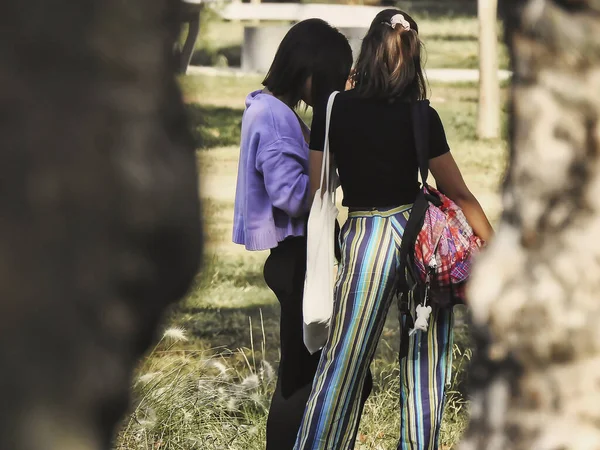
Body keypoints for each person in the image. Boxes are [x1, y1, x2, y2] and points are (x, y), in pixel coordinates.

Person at [294, 9, 493, 450]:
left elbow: (318, 186)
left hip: (365, 238)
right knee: (425, 365)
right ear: (413, 57)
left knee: (343, 359)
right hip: (422, 240)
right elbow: (459, 193)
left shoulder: (334, 108)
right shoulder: (423, 115)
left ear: (367, 51)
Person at [232, 19, 373, 450]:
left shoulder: (270, 108)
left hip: (296, 257)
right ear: (308, 70)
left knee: (306, 366)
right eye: (328, 78)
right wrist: (329, 174)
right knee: (298, 374)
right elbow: (291, 195)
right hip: (297, 259)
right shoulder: (274, 117)